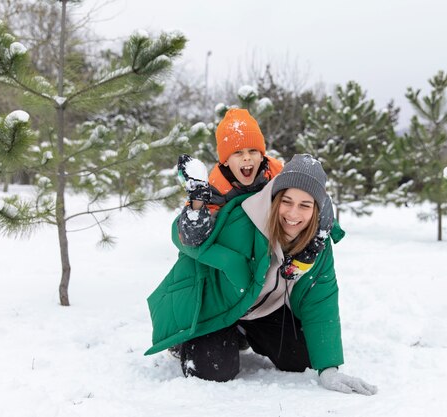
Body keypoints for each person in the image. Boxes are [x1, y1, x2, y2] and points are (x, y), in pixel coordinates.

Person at [146, 154, 376, 395]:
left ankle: (242, 332)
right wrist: (228, 260)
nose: (293, 214)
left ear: (317, 210)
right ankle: (184, 341)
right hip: (217, 305)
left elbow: (320, 300)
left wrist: (329, 368)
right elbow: (187, 238)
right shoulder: (246, 221)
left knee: (302, 359)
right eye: (287, 201)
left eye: (305, 205)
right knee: (213, 371)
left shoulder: (317, 246)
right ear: (276, 198)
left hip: (261, 310)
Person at [176, 108, 283, 247]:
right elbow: (192, 238)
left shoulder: (277, 172)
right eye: (238, 152)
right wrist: (197, 200)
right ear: (225, 160)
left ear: (261, 155)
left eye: (253, 151)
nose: (246, 157)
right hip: (236, 246)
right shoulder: (216, 186)